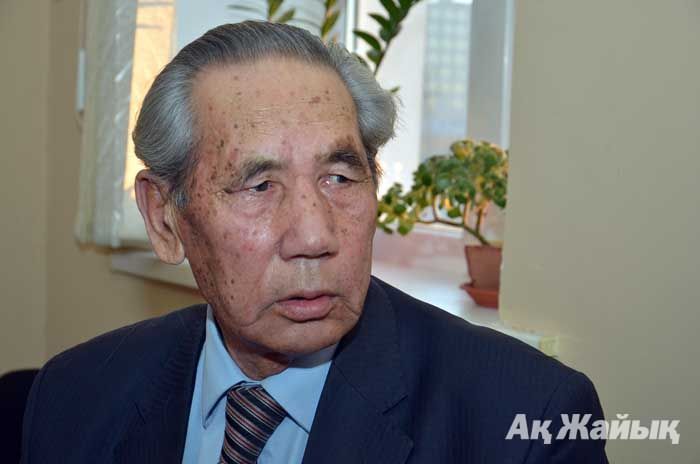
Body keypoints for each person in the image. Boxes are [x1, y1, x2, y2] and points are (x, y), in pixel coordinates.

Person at [21, 21, 608, 463]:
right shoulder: (74, 395)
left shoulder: (529, 421)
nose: (315, 236)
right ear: (165, 219)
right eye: (259, 185)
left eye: (340, 178)